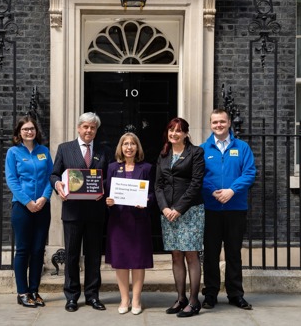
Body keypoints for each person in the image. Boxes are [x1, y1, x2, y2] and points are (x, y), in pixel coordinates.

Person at [50, 112, 112, 312]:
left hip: (95, 211)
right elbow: (54, 174)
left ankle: (93, 295)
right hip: (72, 211)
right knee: (72, 255)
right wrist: (58, 184)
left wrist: (101, 188)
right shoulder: (65, 148)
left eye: (92, 128)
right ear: (78, 128)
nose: (89, 131)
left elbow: (108, 178)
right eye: (85, 127)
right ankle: (72, 296)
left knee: (94, 256)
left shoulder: (103, 150)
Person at [200, 108, 256, 310]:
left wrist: (232, 191)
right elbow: (199, 176)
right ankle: (211, 293)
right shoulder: (202, 149)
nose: (218, 125)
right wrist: (213, 191)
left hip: (235, 208)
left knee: (233, 253)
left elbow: (249, 173)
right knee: (211, 253)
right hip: (211, 208)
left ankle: (235, 294)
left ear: (229, 123)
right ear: (210, 124)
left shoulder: (242, 148)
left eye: (222, 122)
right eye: (215, 122)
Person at [155, 117, 205, 318]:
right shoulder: (163, 154)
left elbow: (196, 183)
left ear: (185, 133)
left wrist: (180, 208)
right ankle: (180, 298)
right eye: (171, 130)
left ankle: (193, 301)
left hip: (190, 211)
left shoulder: (196, 153)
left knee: (191, 255)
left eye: (178, 130)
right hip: (168, 213)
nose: (174, 134)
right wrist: (165, 208)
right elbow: (158, 185)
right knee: (176, 255)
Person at [5, 116, 53, 308]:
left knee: (38, 249)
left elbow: (52, 176)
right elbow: (12, 180)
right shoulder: (13, 152)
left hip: (42, 206)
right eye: (25, 129)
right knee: (23, 250)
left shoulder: (44, 151)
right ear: (19, 132)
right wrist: (27, 202)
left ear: (36, 131)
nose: (29, 132)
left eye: (31, 129)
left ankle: (34, 290)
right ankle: (22, 292)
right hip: (22, 208)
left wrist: (44, 198)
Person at [105, 132, 155, 315]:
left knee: (138, 261)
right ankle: (124, 298)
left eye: (132, 144)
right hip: (119, 221)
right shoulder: (112, 168)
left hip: (139, 221)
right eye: (125, 144)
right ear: (120, 147)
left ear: (137, 147)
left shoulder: (147, 168)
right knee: (121, 261)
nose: (129, 147)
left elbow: (153, 193)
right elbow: (108, 192)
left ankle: (136, 298)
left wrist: (147, 201)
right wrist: (108, 201)